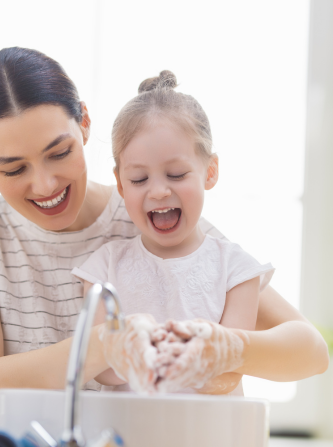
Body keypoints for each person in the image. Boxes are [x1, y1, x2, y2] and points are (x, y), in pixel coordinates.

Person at [0, 47, 328, 427]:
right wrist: (104, 347)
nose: (44, 185)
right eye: (14, 169)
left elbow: (309, 350)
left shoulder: (151, 217)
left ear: (85, 124)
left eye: (59, 153)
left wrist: (230, 349)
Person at [72, 70, 274, 395]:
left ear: (210, 172)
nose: (159, 191)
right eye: (139, 179)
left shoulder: (237, 270)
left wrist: (197, 354)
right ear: (121, 183)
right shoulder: (102, 269)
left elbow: (229, 375)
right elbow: (100, 371)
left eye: (177, 174)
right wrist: (130, 351)